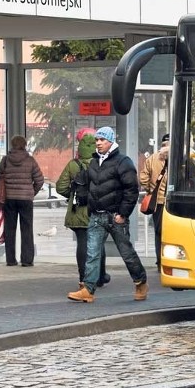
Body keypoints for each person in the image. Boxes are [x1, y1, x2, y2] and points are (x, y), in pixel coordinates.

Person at [67, 126, 149, 303]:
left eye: (102, 140)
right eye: (97, 140)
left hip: (115, 216)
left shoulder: (123, 162)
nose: (98, 143)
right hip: (96, 216)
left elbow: (131, 190)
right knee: (92, 253)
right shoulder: (95, 162)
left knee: (127, 253)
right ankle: (88, 289)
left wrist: (123, 214)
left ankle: (140, 281)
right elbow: (89, 185)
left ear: (111, 141)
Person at [56, 129, 110, 291]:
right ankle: (100, 276)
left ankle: (83, 277)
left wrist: (73, 194)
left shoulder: (73, 165)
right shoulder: (102, 163)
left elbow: (61, 186)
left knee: (82, 243)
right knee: (99, 243)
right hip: (98, 208)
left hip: (78, 210)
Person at [0, 135, 44, 267]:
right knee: (27, 229)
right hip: (26, 200)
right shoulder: (30, 161)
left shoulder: (5, 160)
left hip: (9, 199)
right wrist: (32, 192)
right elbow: (39, 180)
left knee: (10, 229)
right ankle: (27, 260)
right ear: (24, 145)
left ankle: (10, 260)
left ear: (12, 145)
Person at [139, 133, 170, 272]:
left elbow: (143, 178)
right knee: (172, 233)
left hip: (157, 202)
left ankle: (159, 262)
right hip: (173, 203)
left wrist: (151, 190)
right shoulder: (179, 157)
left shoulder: (152, 159)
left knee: (158, 232)